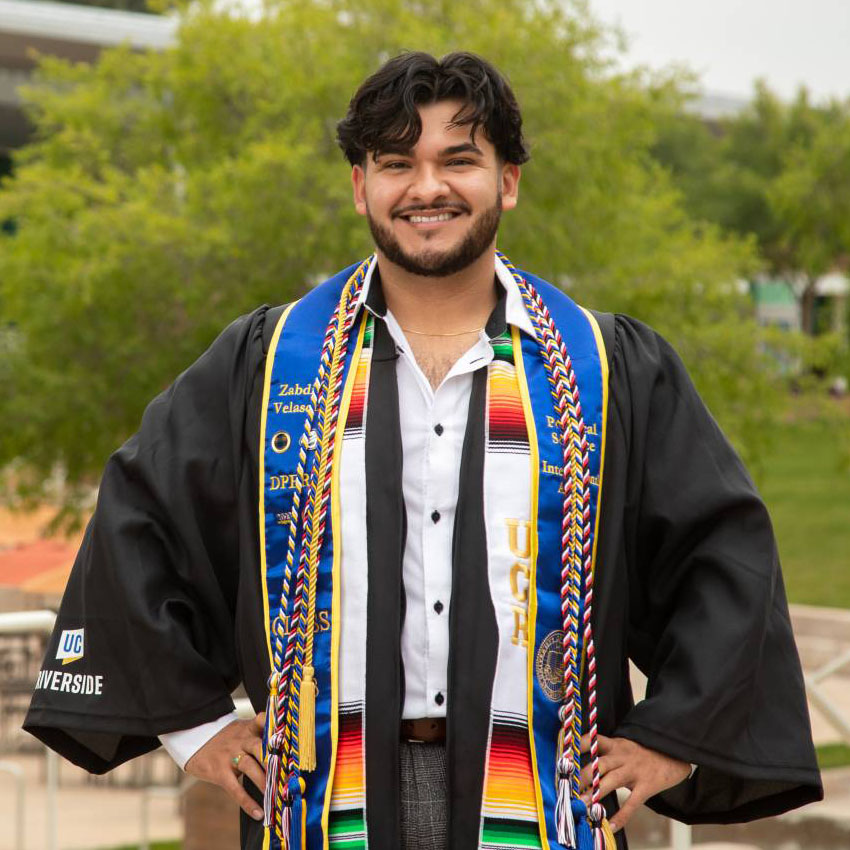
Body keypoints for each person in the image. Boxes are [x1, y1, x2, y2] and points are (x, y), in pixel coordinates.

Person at [25, 51, 821, 850]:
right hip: (325, 796)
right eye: (396, 163)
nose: (426, 188)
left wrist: (672, 738)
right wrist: (195, 728)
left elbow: (722, 550)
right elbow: (141, 515)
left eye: (458, 160)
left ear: (507, 181)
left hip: (540, 795)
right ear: (360, 185)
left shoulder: (602, 365)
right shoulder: (271, 363)